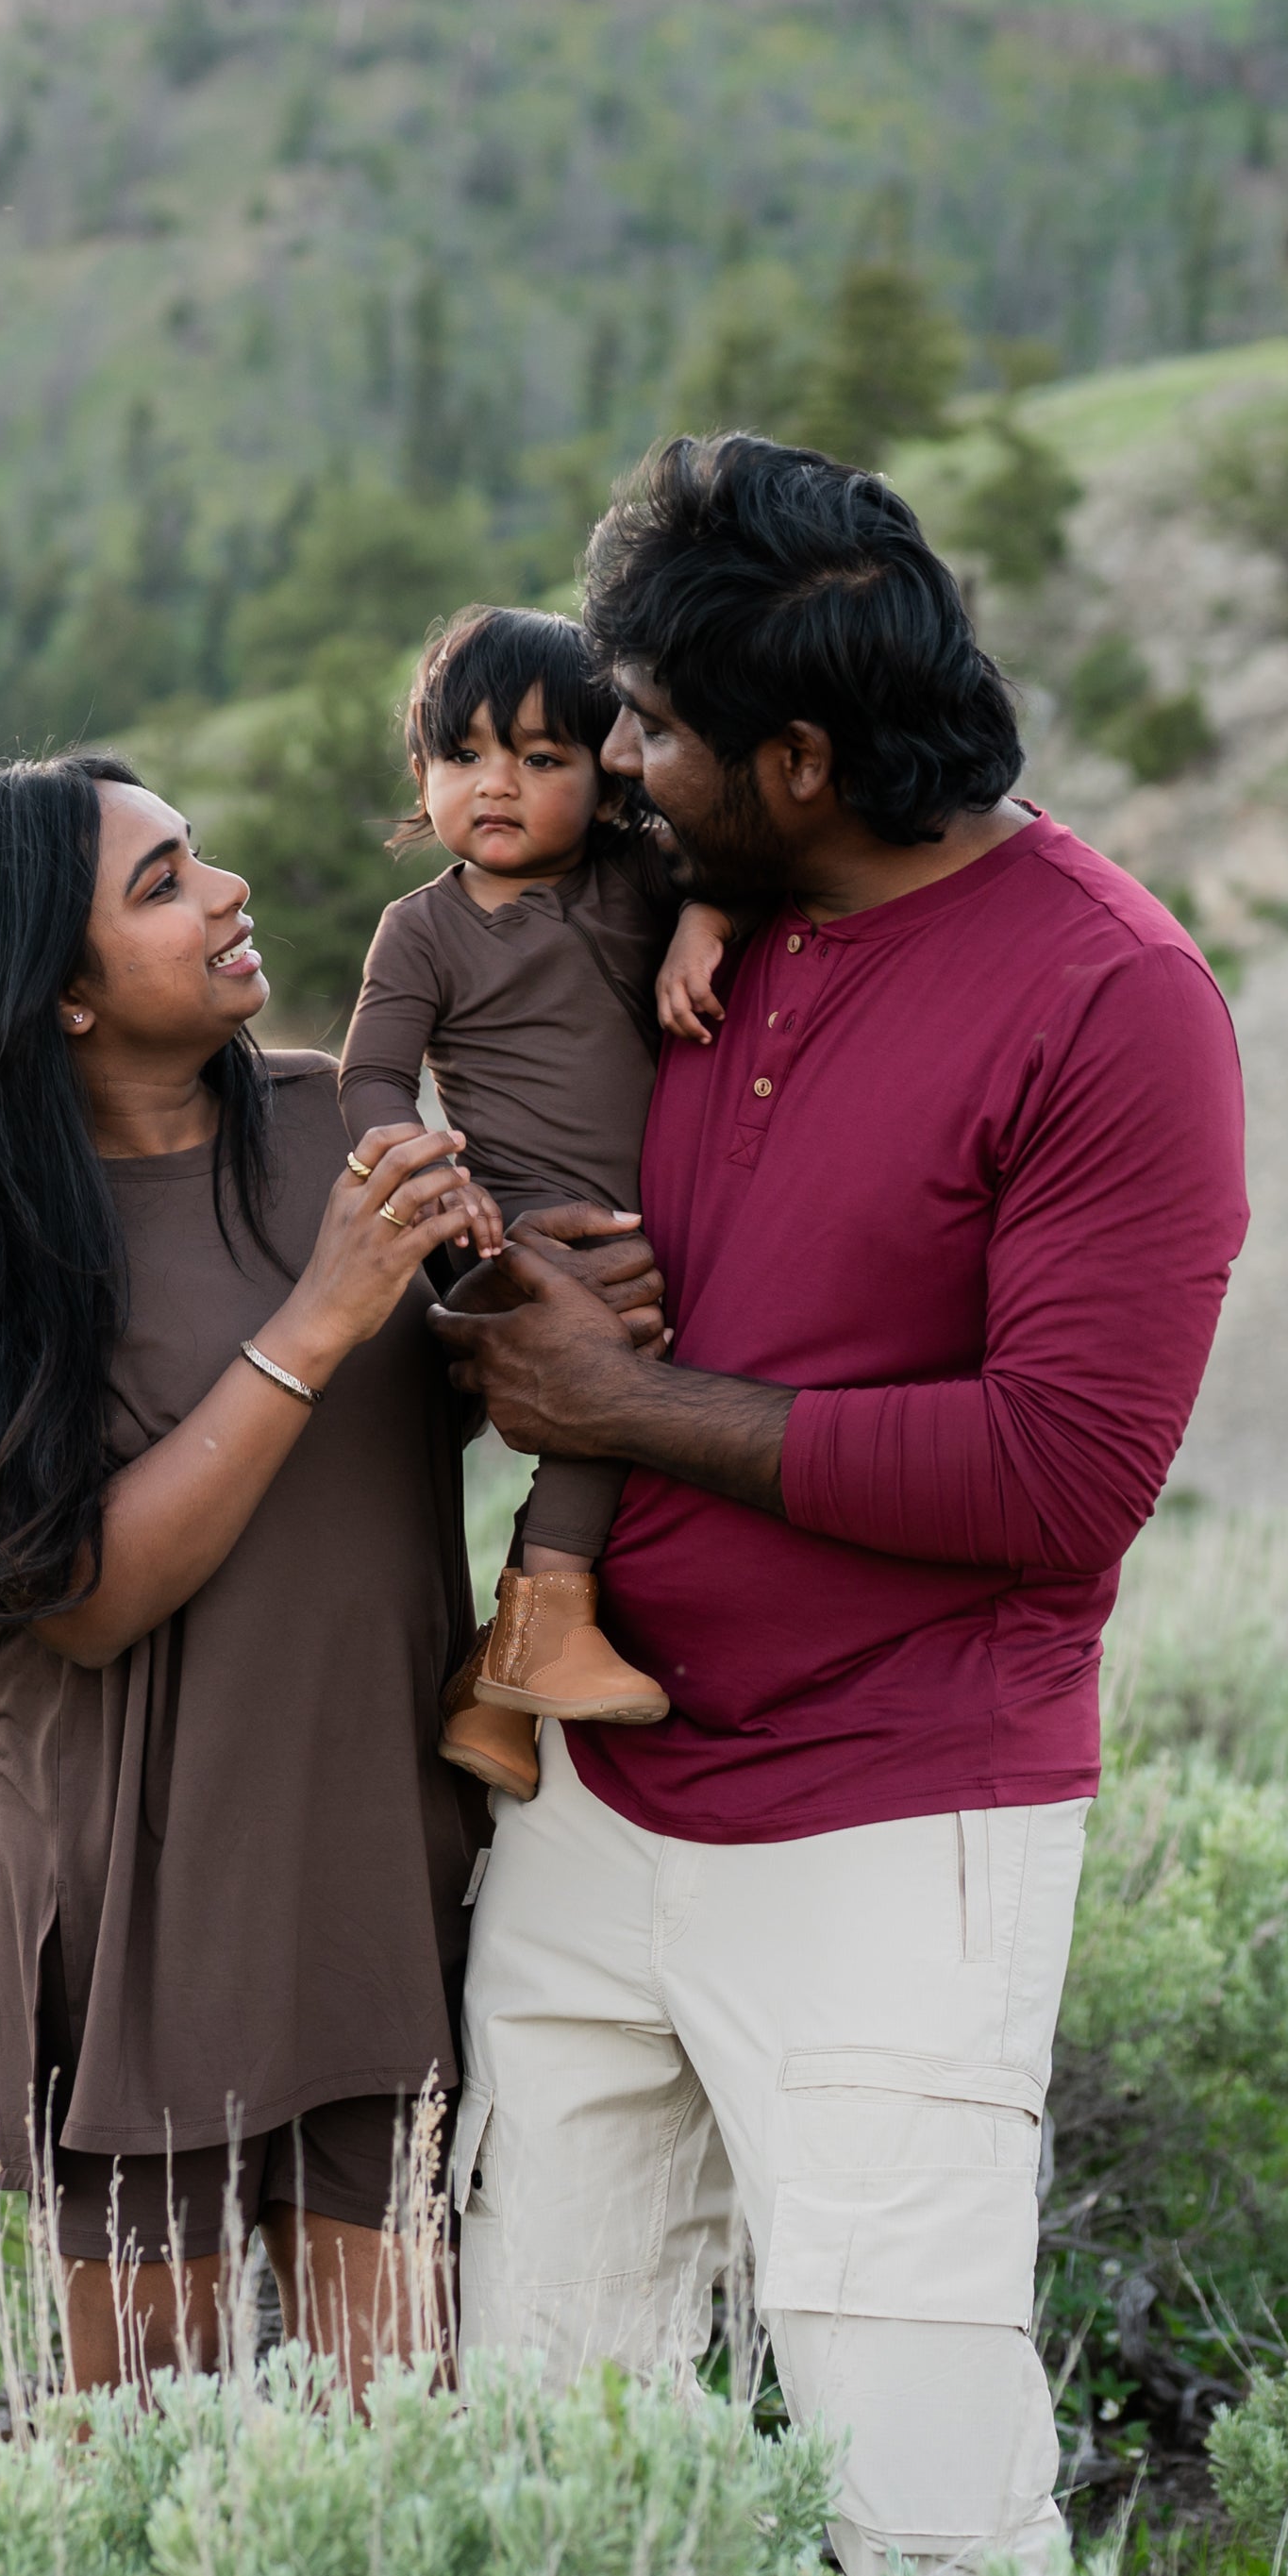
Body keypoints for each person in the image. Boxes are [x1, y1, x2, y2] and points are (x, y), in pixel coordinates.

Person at [430, 437, 1248, 2576]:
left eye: (657, 730)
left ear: (794, 759)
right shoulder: (681, 903)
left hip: (893, 1836)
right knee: (535, 2467)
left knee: (924, 2512)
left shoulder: (1108, 1000)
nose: (616, 759)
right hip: (595, 1808)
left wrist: (635, 1408)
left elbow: (1063, 1470)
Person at [0, 754, 614, 2396]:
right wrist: (326, 1313)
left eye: (199, 857)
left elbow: (442, 1426)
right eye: (163, 884)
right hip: (132, 1854)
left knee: (395, 2415)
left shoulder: (330, 1128)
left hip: (366, 1815)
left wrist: (550, 1313)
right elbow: (81, 1592)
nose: (228, 892)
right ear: (59, 995)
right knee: (143, 2428)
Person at [339, 605, 734, 1798]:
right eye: (463, 757)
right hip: (510, 1224)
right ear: (423, 773)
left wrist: (700, 928)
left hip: (647, 1215)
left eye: (540, 757)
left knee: (648, 1385)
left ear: (610, 779)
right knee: (606, 1373)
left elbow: (735, 876)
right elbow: (366, 1079)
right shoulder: (421, 934)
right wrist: (429, 1178)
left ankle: (487, 1693)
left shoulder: (635, 877)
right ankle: (545, 1619)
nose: (495, 785)